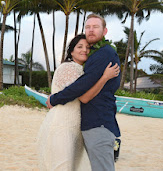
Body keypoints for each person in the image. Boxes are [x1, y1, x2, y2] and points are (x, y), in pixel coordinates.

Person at [46, 14, 121, 171]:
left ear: (105, 31)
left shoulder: (103, 54)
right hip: (83, 123)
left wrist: (55, 99)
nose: (91, 30)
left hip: (98, 123)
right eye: (88, 27)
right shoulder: (80, 63)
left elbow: (82, 88)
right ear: (71, 51)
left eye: (95, 27)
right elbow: (82, 87)